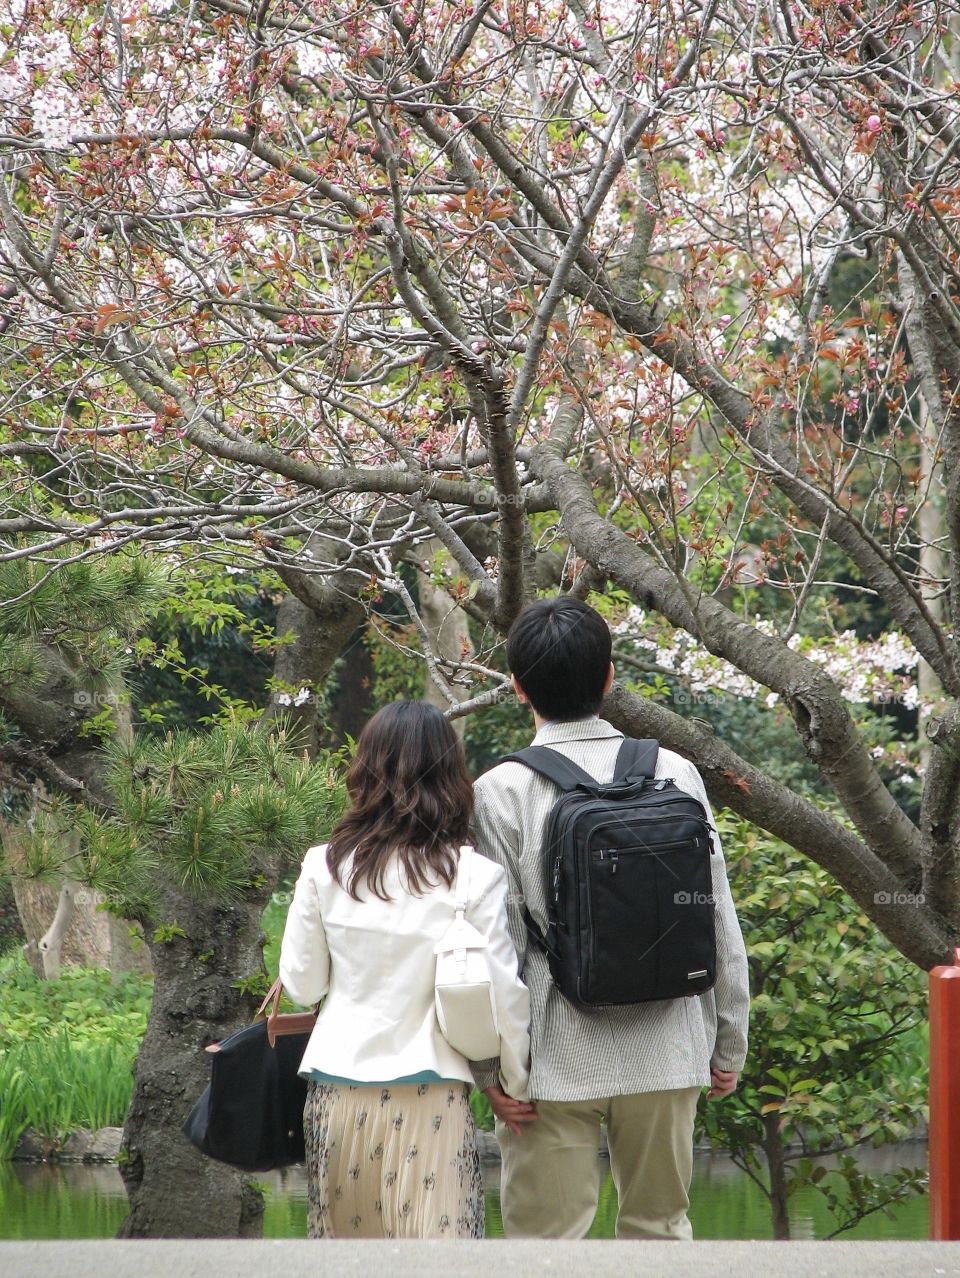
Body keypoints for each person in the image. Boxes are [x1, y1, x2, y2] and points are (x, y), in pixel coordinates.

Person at [470, 597, 750, 1240]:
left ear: (517, 686)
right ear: (609, 677)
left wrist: (496, 1074)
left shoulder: (500, 790)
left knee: (546, 1247)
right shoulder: (674, 772)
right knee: (659, 1230)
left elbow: (499, 946)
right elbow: (716, 916)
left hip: (555, 1057)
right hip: (669, 1044)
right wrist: (726, 1039)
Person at [279, 699, 531, 1240]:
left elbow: (302, 986)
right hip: (432, 1093)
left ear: (364, 770)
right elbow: (503, 994)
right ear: (450, 775)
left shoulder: (324, 866)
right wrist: (510, 1082)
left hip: (337, 1092)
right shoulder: (473, 876)